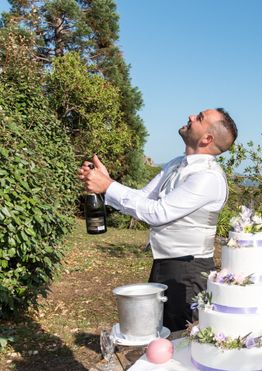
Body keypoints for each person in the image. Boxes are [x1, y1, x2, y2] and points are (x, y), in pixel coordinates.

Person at [78, 108, 238, 332]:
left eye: (199, 118)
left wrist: (107, 186)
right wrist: (106, 182)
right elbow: (143, 198)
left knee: (183, 340)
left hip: (188, 273)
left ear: (207, 139)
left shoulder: (208, 178)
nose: (191, 116)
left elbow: (158, 213)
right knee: (161, 333)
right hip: (165, 263)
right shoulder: (176, 164)